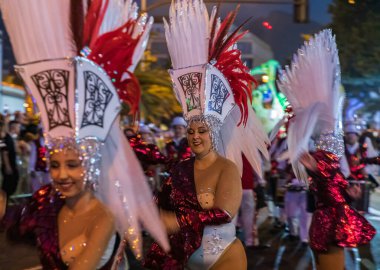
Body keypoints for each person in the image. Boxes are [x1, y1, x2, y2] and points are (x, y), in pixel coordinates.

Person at [0, 0, 168, 268]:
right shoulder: (48, 205)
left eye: (72, 164)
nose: (61, 175)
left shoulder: (104, 216)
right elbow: (16, 228)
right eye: (55, 165)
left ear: (90, 164)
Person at [144, 1, 269, 268]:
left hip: (222, 256)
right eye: (190, 131)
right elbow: (160, 203)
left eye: (201, 130)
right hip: (182, 256)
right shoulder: (180, 169)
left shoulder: (227, 169)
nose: (195, 136)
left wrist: (176, 221)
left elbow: (223, 212)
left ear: (213, 133)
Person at [278, 29, 376, 270]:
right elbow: (325, 176)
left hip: (327, 220)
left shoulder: (326, 165)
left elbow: (332, 181)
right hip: (329, 221)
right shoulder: (323, 164)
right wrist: (319, 169)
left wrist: (347, 193)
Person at [1, 120, 21, 198]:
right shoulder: (6, 138)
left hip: (11, 165)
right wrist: (7, 166)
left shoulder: (8, 138)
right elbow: (4, 153)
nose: (19, 129)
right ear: (13, 127)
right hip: (9, 166)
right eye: (18, 127)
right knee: (8, 186)